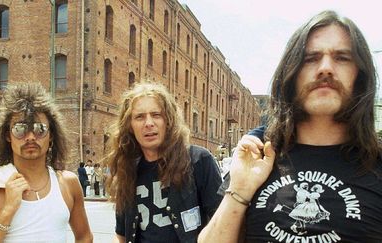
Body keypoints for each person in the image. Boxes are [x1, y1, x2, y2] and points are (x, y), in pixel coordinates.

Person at [199, 10, 382, 242]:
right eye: (310, 58)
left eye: (342, 58)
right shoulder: (259, 157)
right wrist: (239, 190)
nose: (325, 68)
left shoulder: (377, 166)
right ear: (291, 74)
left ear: (360, 76)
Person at [0, 82, 93, 242]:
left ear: (51, 135)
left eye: (40, 129)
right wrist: (7, 211)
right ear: (7, 136)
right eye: (20, 129)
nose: (31, 136)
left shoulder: (68, 183)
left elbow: (84, 237)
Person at [105, 81, 223, 243]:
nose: (149, 123)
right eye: (139, 117)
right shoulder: (127, 170)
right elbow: (121, 235)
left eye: (156, 115)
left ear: (168, 120)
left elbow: (223, 224)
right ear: (130, 126)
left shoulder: (198, 161)